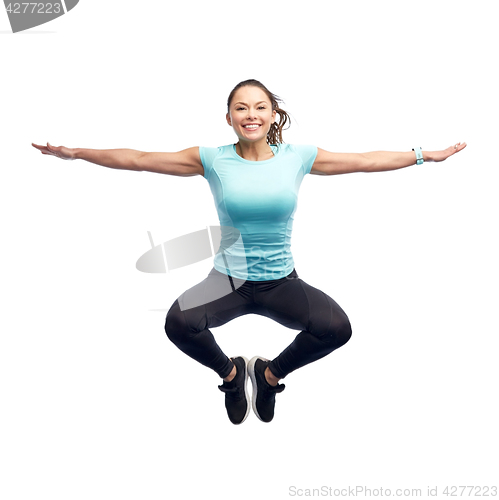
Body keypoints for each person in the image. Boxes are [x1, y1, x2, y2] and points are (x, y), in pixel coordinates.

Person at [32, 79, 467, 425]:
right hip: (228, 282)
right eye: (241, 108)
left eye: (260, 107)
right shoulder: (211, 159)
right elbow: (140, 158)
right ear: (229, 118)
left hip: (281, 282)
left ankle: (269, 375)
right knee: (179, 323)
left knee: (337, 329)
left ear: (273, 114)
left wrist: (424, 155)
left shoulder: (297, 156)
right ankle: (234, 375)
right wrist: (76, 154)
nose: (251, 114)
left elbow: (364, 160)